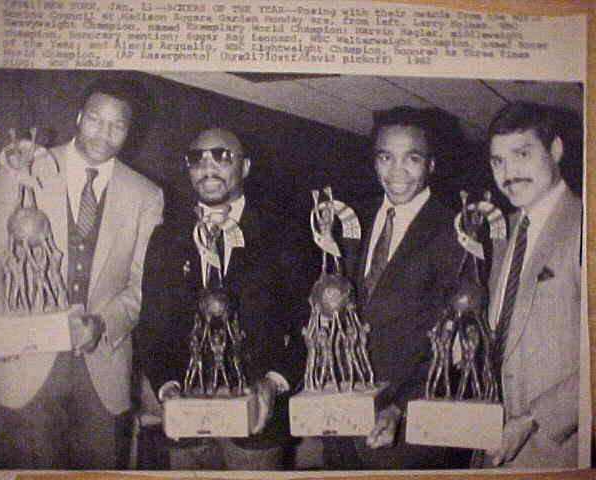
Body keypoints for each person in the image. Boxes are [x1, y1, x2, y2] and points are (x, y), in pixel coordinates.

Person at [0, 78, 164, 469]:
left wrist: (102, 324)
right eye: (95, 119)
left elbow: (141, 287)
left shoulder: (146, 194)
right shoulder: (26, 163)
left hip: (102, 373)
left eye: (117, 125)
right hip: (23, 368)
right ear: (78, 117)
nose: (104, 133)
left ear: (130, 131)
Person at [137, 128, 308, 470]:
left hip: (258, 421)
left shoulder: (285, 233)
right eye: (196, 158)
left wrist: (274, 384)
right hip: (186, 420)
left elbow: (306, 322)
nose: (208, 166)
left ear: (244, 167)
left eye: (222, 156)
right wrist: (166, 387)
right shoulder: (166, 237)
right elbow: (152, 324)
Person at [325, 107, 470, 469]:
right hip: (341, 415)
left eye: (412, 158)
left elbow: (454, 339)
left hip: (408, 429)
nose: (397, 172)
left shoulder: (456, 232)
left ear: (431, 165)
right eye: (386, 157)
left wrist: (399, 406)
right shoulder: (349, 220)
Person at [483, 102, 581, 468]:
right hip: (491, 445)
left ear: (555, 150)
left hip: (555, 451)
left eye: (521, 155)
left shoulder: (584, 225)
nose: (508, 174)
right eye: (497, 162)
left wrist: (535, 417)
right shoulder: (500, 231)